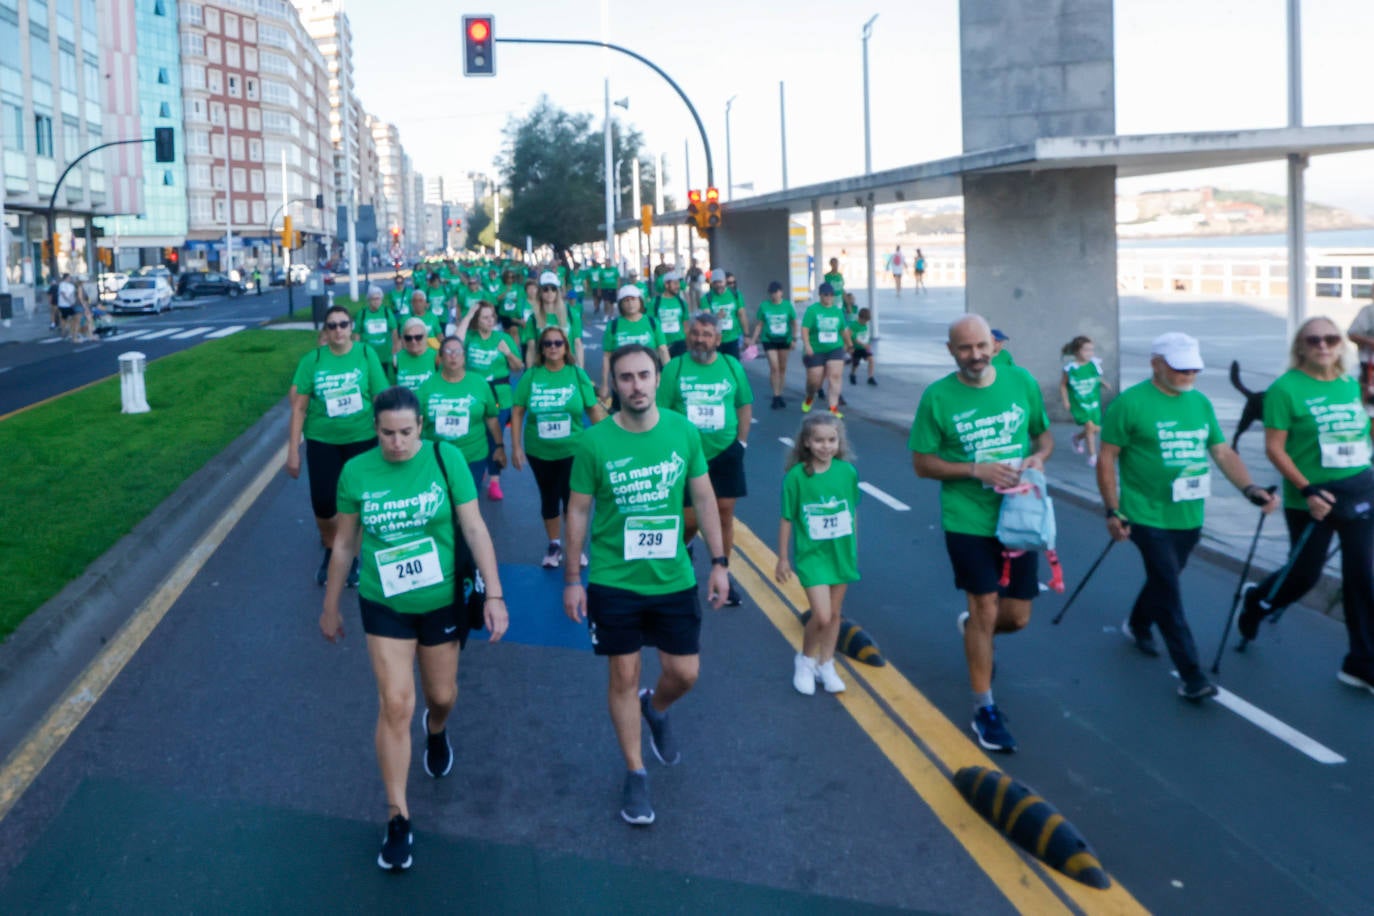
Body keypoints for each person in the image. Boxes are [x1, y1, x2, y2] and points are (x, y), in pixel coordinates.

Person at [320, 385, 509, 872]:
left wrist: (494, 594)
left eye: (406, 432)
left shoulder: (446, 461)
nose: (397, 443)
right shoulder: (356, 471)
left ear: (420, 427)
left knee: (441, 695)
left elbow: (474, 529)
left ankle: (438, 729)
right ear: (375, 429)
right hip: (384, 602)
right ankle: (398, 816)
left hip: (441, 599)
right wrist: (330, 606)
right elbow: (344, 544)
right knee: (396, 703)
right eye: (387, 434)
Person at [563, 344, 730, 826]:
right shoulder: (594, 442)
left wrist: (720, 562)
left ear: (658, 378)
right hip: (615, 579)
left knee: (685, 673)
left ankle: (655, 708)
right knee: (623, 675)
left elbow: (703, 494)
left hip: (672, 576)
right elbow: (577, 510)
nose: (635, 385)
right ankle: (635, 772)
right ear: (612, 384)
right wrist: (573, 579)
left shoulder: (682, 431)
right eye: (625, 378)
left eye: (643, 375)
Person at [1097, 331, 1278, 701]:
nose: (1189, 375)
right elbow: (1107, 458)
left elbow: (1222, 452)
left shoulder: (1199, 403)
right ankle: (1192, 674)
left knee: (1166, 579)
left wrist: (1250, 489)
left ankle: (1137, 622)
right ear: (1156, 364)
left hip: (1189, 514)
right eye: (1181, 369)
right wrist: (1113, 509)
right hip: (1145, 514)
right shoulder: (1129, 404)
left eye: (1194, 368)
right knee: (1169, 588)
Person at [909, 314, 1054, 753]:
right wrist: (975, 469)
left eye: (980, 346)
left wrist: (1037, 458)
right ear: (951, 352)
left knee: (1016, 617)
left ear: (994, 344)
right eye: (964, 349)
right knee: (985, 605)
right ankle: (984, 707)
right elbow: (922, 463)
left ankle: (974, 629)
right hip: (967, 518)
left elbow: (1043, 436)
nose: (974, 355)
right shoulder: (937, 397)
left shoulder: (1020, 382)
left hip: (1018, 515)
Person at [1235, 317, 1374, 693]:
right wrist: (1307, 489)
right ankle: (1257, 601)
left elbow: (1359, 434)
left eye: (1331, 339)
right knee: (1304, 575)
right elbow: (1274, 448)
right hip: (1312, 497)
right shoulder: (1285, 389)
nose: (1324, 346)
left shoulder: (1349, 384)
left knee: (1364, 577)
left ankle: (1361, 664)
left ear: (1340, 345)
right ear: (1301, 347)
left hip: (1360, 490)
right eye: (1314, 340)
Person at [286, 305, 391, 586]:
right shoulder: (313, 360)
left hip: (361, 439)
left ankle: (349, 558)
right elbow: (299, 407)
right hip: (322, 440)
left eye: (343, 324)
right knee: (323, 502)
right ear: (325, 331)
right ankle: (332, 544)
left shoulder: (366, 354)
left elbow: (381, 397)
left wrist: (387, 435)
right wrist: (293, 450)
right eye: (332, 326)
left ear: (351, 329)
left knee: (356, 502)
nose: (338, 330)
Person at [658, 312, 753, 607]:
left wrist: (741, 443)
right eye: (696, 333)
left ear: (718, 339)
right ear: (689, 335)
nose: (700, 339)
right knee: (689, 519)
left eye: (707, 334)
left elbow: (744, 405)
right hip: (685, 455)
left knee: (724, 513)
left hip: (724, 452)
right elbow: (660, 412)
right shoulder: (676, 367)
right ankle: (685, 548)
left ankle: (722, 572)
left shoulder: (730, 365)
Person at [776, 413, 861, 696]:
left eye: (831, 440)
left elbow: (852, 511)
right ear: (807, 443)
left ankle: (827, 664)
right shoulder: (796, 477)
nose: (826, 446)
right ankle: (806, 660)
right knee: (822, 615)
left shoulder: (847, 473)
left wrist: (854, 547)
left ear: (839, 442)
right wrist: (783, 557)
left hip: (841, 553)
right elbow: (787, 518)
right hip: (813, 556)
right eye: (819, 440)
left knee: (835, 614)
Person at [511, 324, 607, 567]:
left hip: (573, 450)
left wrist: (609, 443)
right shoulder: (532, 376)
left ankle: (575, 547)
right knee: (549, 498)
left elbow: (593, 410)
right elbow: (518, 410)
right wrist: (516, 447)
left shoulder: (577, 374)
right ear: (541, 349)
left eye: (558, 343)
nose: (553, 347)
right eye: (547, 344)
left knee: (573, 499)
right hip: (539, 451)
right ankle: (554, 545)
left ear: (565, 347)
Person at [454, 301, 523, 500]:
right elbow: (456, 340)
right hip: (473, 396)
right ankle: (479, 468)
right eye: (485, 317)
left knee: (495, 438)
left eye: (492, 316)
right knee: (476, 435)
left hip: (499, 396)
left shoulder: (503, 338)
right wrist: (468, 315)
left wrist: (508, 353)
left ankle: (494, 480)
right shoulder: (471, 338)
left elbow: (519, 366)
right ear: (477, 320)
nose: (490, 321)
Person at [417, 335, 502, 487]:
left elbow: (491, 418)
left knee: (469, 502)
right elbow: (417, 424)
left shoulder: (479, 383)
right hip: (438, 457)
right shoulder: (426, 387)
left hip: (473, 457)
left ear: (464, 357)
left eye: (457, 351)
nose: (453, 356)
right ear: (441, 357)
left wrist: (500, 447)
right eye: (448, 352)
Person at [600, 286, 669, 403]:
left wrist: (669, 378)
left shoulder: (652, 322)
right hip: (623, 379)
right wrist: (604, 384)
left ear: (640, 302)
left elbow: (663, 350)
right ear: (620, 304)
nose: (630, 303)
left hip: (648, 378)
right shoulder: (613, 326)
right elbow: (607, 356)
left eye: (633, 299)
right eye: (626, 300)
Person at [800, 282, 851, 417]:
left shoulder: (837, 311)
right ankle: (810, 396)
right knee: (814, 380)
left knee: (835, 376)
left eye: (831, 295)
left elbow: (843, 330)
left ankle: (833, 407)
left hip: (834, 347)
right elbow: (805, 329)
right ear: (820, 295)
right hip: (816, 349)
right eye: (826, 295)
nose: (829, 297)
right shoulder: (813, 310)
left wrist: (849, 344)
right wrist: (807, 345)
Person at [748, 280, 798, 409]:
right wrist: (753, 340)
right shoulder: (765, 306)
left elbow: (794, 322)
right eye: (772, 293)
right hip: (769, 339)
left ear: (781, 292)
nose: (774, 295)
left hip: (784, 339)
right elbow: (760, 324)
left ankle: (780, 394)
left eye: (776, 292)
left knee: (782, 368)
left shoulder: (787, 306)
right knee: (774, 367)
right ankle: (775, 396)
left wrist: (794, 339)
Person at [1060, 335, 1107, 468]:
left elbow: (1096, 378)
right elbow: (1063, 385)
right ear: (1076, 351)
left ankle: (1077, 438)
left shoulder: (1094, 365)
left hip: (1093, 402)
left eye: (1091, 350)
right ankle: (1093, 456)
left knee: (1096, 429)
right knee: (1090, 427)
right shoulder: (1070, 368)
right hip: (1079, 403)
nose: (1089, 353)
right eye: (1086, 350)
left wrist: (1103, 383)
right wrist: (1065, 400)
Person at [523, 271, 584, 368]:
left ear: (558, 292)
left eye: (553, 289)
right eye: (545, 289)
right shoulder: (533, 318)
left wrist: (581, 370)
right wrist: (530, 374)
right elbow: (531, 349)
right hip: (543, 368)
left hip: (567, 366)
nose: (550, 292)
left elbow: (578, 344)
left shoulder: (571, 314)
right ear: (540, 292)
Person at [701, 269, 749, 359]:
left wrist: (746, 335)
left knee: (733, 367)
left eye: (720, 282)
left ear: (725, 282)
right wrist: (716, 317)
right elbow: (706, 318)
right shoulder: (707, 298)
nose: (718, 285)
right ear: (712, 283)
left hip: (733, 338)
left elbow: (742, 315)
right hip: (715, 339)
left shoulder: (735, 294)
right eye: (715, 283)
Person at [355, 285, 400, 381]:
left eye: (378, 299)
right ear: (368, 300)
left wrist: (395, 346)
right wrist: (357, 349)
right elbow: (357, 333)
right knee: (371, 378)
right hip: (368, 353)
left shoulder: (386, 312)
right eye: (373, 299)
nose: (376, 301)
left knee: (386, 379)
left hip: (385, 354)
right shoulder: (362, 314)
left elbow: (394, 329)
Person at [647, 271, 690, 358]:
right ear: (666, 285)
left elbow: (685, 324)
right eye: (675, 283)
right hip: (662, 344)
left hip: (680, 344)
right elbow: (650, 325)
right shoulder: (655, 302)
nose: (678, 286)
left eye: (678, 283)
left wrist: (688, 343)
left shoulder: (681, 302)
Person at [394, 318, 438, 391]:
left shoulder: (436, 357)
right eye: (408, 338)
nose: (413, 341)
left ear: (426, 336)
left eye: (418, 337)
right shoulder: (396, 359)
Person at [1345, 293, 1374, 405]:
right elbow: (1351, 334)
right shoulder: (1368, 311)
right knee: (1367, 403)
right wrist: (1370, 341)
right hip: (1369, 367)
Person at [849, 307, 877, 387]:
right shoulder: (854, 325)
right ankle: (852, 374)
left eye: (867, 321)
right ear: (860, 318)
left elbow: (866, 336)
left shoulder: (865, 325)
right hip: (856, 347)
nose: (865, 323)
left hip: (865, 347)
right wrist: (861, 344)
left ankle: (870, 377)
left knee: (871, 360)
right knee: (856, 363)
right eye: (864, 321)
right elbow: (853, 337)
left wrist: (868, 344)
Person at [56, 273, 79, 341]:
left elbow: (74, 294)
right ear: (66, 278)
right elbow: (63, 294)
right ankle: (64, 331)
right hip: (63, 304)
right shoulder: (62, 285)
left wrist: (73, 301)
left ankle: (71, 331)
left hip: (70, 304)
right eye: (69, 277)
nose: (70, 279)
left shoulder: (71, 285)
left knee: (74, 317)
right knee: (64, 318)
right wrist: (69, 301)